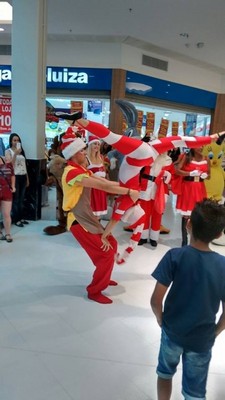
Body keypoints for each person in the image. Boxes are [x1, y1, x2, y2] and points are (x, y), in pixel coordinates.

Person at [75, 117, 225, 263]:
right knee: (112, 137)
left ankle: (213, 137)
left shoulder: (127, 201)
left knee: (178, 139)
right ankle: (80, 121)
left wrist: (118, 249)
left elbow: (117, 223)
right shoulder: (127, 202)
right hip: (143, 155)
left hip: (144, 154)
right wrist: (111, 242)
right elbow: (117, 223)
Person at [150, 199, 225, 400]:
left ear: (188, 223)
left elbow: (156, 300)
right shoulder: (222, 265)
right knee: (195, 390)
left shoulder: (175, 256)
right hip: (202, 338)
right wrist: (215, 332)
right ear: (219, 234)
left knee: (164, 373)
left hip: (172, 331)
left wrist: (161, 319)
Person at [60, 129, 139, 304]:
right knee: (106, 253)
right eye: (80, 151)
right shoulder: (72, 172)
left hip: (86, 217)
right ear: (73, 154)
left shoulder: (80, 168)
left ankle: (104, 275)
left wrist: (127, 186)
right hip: (78, 221)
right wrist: (128, 190)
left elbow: (104, 182)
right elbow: (100, 186)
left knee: (112, 243)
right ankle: (94, 291)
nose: (84, 152)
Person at [175, 146, 210, 246]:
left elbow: (209, 175)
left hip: (200, 188)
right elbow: (177, 171)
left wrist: (205, 175)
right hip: (188, 188)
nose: (201, 147)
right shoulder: (186, 157)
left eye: (203, 145)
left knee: (199, 214)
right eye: (199, 145)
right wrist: (189, 173)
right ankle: (184, 242)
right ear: (193, 147)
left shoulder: (206, 159)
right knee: (186, 215)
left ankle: (196, 241)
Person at [5, 133, 29, 227]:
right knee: (16, 199)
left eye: (18, 140)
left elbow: (25, 165)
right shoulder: (8, 151)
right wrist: (15, 154)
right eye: (14, 140)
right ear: (11, 141)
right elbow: (9, 165)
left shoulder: (22, 151)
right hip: (14, 177)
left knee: (22, 198)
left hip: (23, 176)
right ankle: (16, 219)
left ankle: (21, 217)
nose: (16, 142)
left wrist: (27, 178)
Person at [86, 135, 108, 219]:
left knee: (99, 213)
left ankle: (97, 228)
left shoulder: (101, 157)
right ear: (90, 145)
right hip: (91, 189)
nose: (97, 146)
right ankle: (90, 229)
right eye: (95, 144)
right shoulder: (86, 159)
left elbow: (105, 172)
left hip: (101, 188)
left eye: (98, 144)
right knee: (91, 212)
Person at [0, 155, 15, 242]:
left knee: (6, 213)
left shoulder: (6, 160)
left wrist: (13, 186)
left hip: (6, 190)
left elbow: (12, 175)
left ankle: (8, 233)